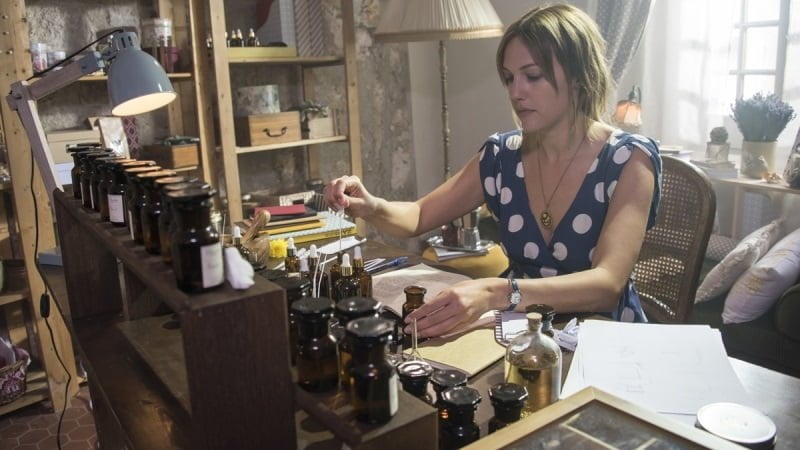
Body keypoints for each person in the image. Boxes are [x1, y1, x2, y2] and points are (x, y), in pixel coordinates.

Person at [324, 4, 661, 338]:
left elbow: (607, 285)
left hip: (604, 339)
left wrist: (495, 292)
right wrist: (372, 206)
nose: (515, 92)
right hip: (518, 331)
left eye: (532, 76)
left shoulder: (628, 159)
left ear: (579, 76)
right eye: (509, 78)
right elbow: (419, 215)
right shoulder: (502, 155)